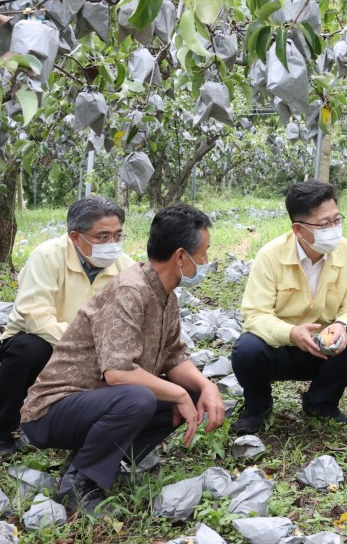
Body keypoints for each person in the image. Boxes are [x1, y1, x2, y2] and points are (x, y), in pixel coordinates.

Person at [21, 204, 224, 514]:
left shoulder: (165, 292)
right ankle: (78, 481)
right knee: (139, 398)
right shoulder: (130, 290)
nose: (207, 262)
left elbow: (173, 355)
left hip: (97, 402)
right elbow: (117, 373)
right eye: (204, 252)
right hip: (54, 409)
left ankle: (98, 460)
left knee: (191, 393)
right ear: (181, 256)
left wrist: (204, 386)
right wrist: (179, 393)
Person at [0, 197, 134, 455]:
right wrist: (80, 347)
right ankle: (1, 431)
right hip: (45, 338)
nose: (112, 244)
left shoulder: (126, 267)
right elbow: (35, 314)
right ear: (76, 237)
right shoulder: (47, 256)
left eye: (117, 235)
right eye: (102, 237)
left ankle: (96, 431)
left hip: (98, 347)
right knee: (26, 350)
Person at [230, 181, 347, 434]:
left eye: (337, 220)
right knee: (247, 349)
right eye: (324, 224)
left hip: (326, 349)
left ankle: (321, 401)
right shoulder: (270, 256)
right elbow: (255, 314)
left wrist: (342, 326)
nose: (334, 229)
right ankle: (257, 407)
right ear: (299, 229)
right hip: (280, 349)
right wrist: (291, 333)